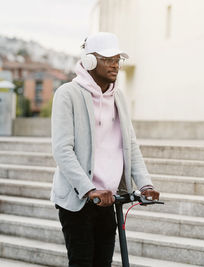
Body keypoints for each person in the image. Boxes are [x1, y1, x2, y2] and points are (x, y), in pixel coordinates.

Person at [50, 32, 160, 267]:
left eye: (118, 59)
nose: (115, 64)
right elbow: (62, 150)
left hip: (109, 199)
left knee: (103, 263)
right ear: (89, 61)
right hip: (78, 199)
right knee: (81, 262)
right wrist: (89, 189)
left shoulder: (118, 97)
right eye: (108, 58)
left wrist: (145, 184)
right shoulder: (68, 94)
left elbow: (130, 144)